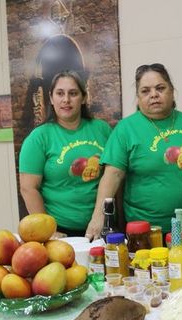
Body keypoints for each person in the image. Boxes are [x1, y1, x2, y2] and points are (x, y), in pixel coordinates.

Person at [85, 63, 182, 239]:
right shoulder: (125, 129)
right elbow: (112, 175)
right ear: (138, 97)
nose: (154, 95)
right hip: (143, 232)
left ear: (172, 90)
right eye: (145, 91)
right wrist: (98, 218)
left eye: (160, 88)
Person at [19, 71, 112, 237]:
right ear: (51, 98)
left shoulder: (102, 129)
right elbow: (28, 188)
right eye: (60, 93)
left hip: (102, 226)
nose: (66, 100)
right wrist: (49, 230)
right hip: (61, 231)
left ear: (83, 98)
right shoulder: (39, 137)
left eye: (73, 93)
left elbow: (114, 175)